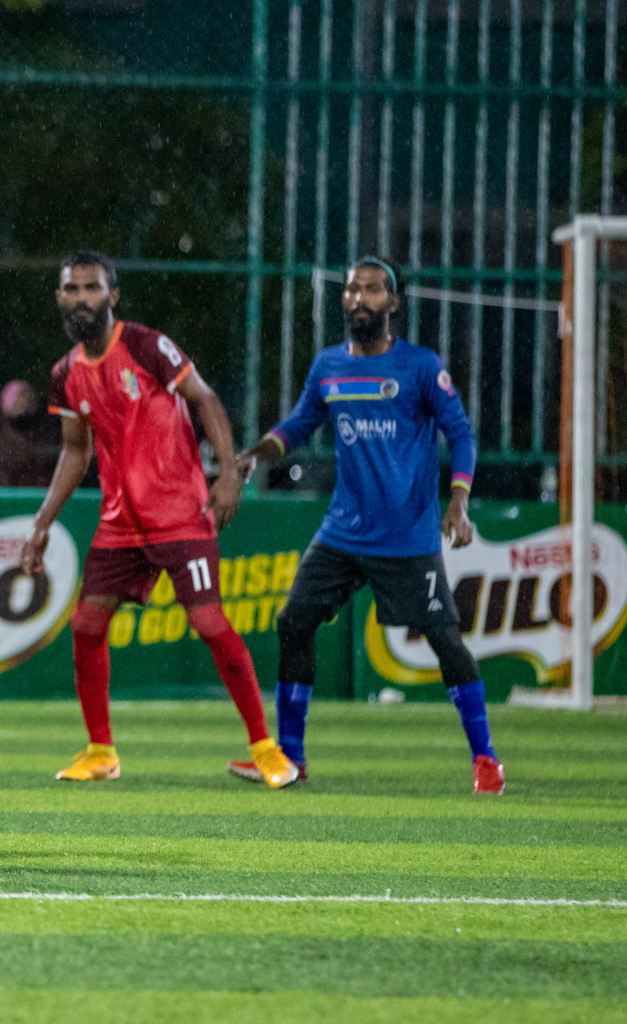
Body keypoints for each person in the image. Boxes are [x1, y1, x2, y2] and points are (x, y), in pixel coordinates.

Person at [19, 250, 298, 788]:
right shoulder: (64, 375)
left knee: (210, 624)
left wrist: (228, 474)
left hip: (179, 515)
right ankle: (101, 751)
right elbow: (75, 454)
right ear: (59, 297)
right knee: (86, 626)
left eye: (92, 288)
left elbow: (206, 399)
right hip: (120, 522)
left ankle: (265, 749)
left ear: (113, 295)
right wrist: (41, 524)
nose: (82, 298)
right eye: (72, 289)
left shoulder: (147, 345)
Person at [232, 256, 502, 794]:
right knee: (293, 623)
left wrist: (459, 502)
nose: (360, 298)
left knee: (445, 640)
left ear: (394, 302)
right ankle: (291, 757)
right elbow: (300, 423)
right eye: (353, 289)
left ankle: (486, 760)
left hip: (406, 537)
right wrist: (258, 453)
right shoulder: (329, 367)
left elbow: (462, 435)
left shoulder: (422, 367)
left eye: (374, 290)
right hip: (342, 532)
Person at [0, 379, 51, 486]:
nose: (21, 433)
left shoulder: (44, 455)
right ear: (4, 421)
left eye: (26, 422)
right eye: (16, 422)